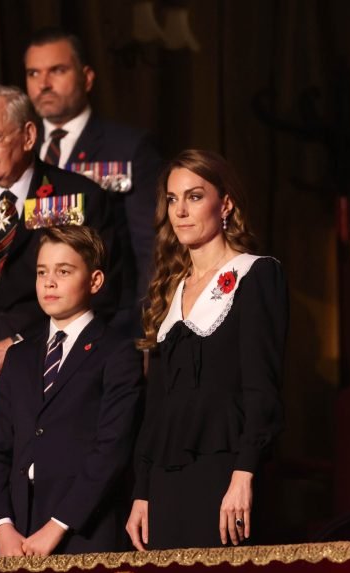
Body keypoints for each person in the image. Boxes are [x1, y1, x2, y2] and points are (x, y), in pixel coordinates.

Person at [0, 84, 126, 560]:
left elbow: (103, 290)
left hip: (51, 397)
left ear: (28, 134)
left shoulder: (79, 196)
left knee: (47, 559)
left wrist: (11, 347)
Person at [125, 149, 288, 551]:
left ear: (225, 203)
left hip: (224, 472)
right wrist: (141, 493)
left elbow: (261, 389)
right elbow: (155, 406)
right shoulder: (169, 288)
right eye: (173, 199)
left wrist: (244, 473)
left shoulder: (256, 273)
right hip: (166, 479)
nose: (180, 210)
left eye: (194, 197)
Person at [0, 226, 143, 556]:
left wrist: (58, 524)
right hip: (19, 532)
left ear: (95, 281)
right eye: (42, 272)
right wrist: (2, 526)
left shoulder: (116, 352)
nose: (49, 282)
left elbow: (111, 450)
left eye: (63, 271)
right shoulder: (19, 356)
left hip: (83, 532)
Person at [25, 26, 163, 332]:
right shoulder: (21, 151)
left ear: (87, 77)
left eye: (57, 70)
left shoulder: (128, 148)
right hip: (31, 331)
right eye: (33, 74)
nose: (43, 84)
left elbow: (151, 249)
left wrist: (143, 332)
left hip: (109, 327)